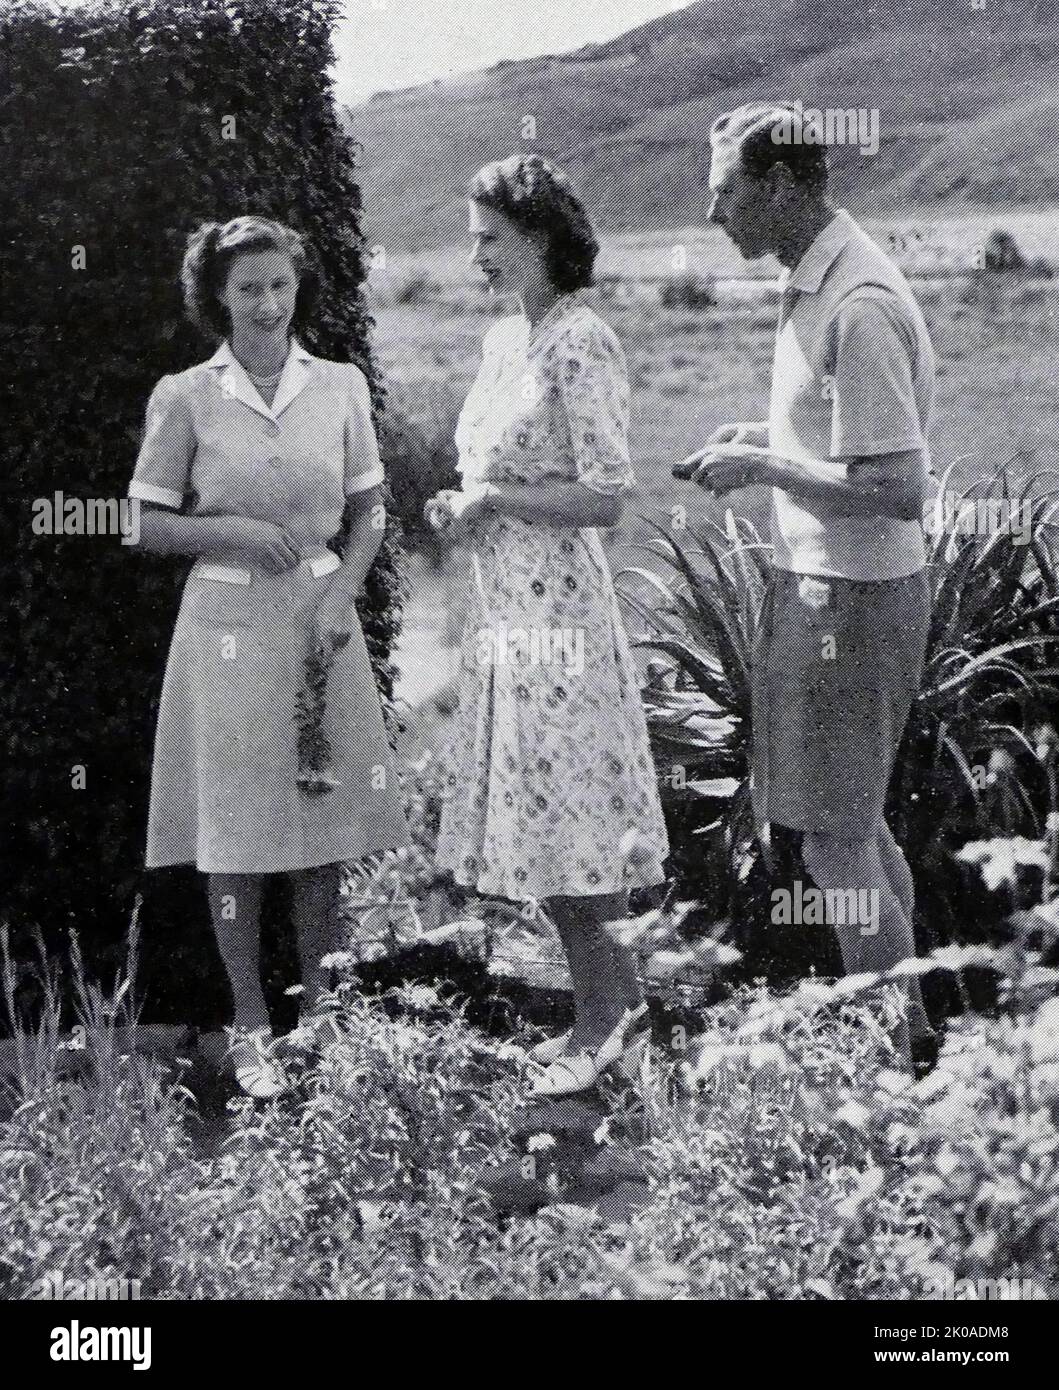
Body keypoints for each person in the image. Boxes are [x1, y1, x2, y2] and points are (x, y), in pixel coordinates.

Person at [680, 103, 937, 1072]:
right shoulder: (817, 283)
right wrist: (768, 441)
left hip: (852, 599)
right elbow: (846, 441)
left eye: (726, 191)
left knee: (834, 848)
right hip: (828, 589)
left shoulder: (857, 302)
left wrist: (771, 472)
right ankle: (911, 1046)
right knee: (853, 828)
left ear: (780, 185)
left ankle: (892, 1073)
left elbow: (899, 486)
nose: (715, 215)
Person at [128, 216, 409, 1095]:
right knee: (237, 832)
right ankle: (251, 1020)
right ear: (218, 294)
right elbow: (141, 521)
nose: (266, 303)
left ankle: (323, 1018)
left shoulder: (338, 385)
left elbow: (369, 510)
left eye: (279, 285)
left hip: (321, 621)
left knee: (319, 830)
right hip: (226, 626)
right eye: (248, 287)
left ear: (297, 289)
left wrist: (341, 593)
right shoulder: (186, 395)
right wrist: (236, 532)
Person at [426, 155, 670, 1098]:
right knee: (541, 826)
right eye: (472, 237)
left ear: (538, 237)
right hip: (503, 613)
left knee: (576, 824)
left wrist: (496, 498)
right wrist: (469, 505)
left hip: (561, 618)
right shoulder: (501, 344)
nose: (475, 254)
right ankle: (601, 1023)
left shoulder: (580, 341)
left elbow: (606, 496)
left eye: (489, 236)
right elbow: (500, 478)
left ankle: (616, 1028)